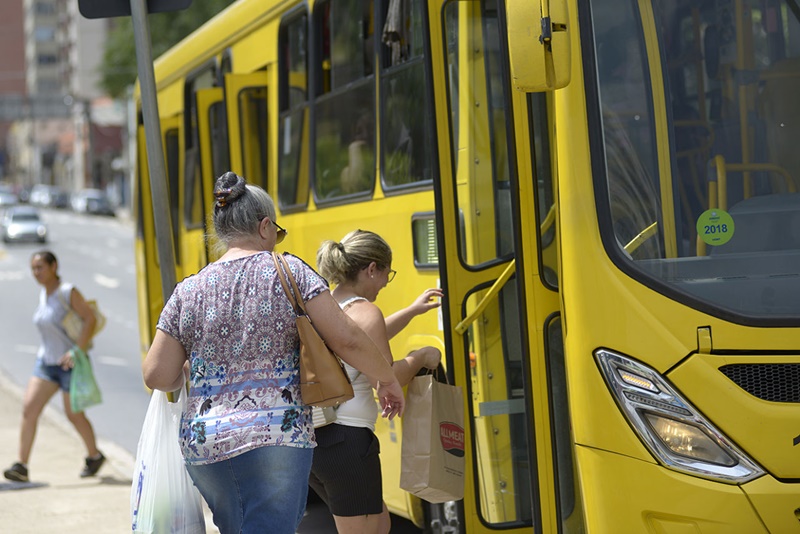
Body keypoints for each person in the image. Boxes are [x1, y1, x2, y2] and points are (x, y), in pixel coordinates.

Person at [142, 172, 405, 534]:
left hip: (206, 442)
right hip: (276, 437)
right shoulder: (290, 270)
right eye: (276, 232)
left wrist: (195, 370)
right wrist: (388, 379)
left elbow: (156, 375)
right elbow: (348, 339)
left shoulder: (189, 289)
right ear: (265, 226)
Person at [310, 229, 443, 534]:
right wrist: (421, 356)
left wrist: (411, 311)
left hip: (317, 443)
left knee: (381, 524)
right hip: (347, 439)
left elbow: (362, 342)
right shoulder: (365, 312)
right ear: (372, 269)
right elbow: (386, 378)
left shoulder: (326, 307)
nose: (385, 283)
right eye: (387, 274)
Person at [4, 250, 105, 483]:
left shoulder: (66, 292)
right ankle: (22, 465)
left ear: (54, 266)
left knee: (74, 415)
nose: (36, 273)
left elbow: (89, 318)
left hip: (70, 363)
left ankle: (94, 455)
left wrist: (76, 350)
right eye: (33, 268)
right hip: (46, 363)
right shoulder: (44, 294)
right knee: (29, 408)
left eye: (40, 267)